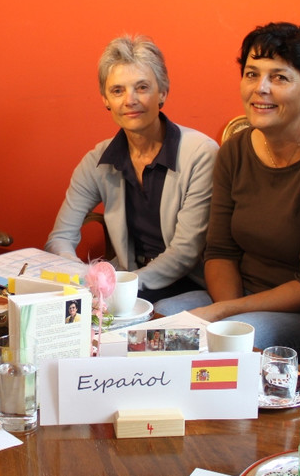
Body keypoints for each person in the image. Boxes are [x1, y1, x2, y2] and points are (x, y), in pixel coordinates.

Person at [155, 22, 300, 355]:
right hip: (237, 297)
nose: (260, 88)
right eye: (252, 74)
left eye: (279, 78)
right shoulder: (234, 151)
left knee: (232, 344)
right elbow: (220, 252)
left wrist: (228, 316)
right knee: (161, 320)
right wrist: (229, 312)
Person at [45, 35, 219, 303]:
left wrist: (120, 288)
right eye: (117, 91)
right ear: (105, 99)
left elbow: (184, 253)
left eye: (142, 87)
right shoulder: (97, 160)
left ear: (163, 92)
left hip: (188, 284)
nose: (130, 100)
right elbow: (60, 238)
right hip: (127, 280)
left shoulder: (201, 154)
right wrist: (81, 278)